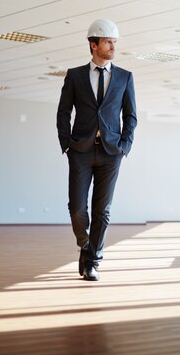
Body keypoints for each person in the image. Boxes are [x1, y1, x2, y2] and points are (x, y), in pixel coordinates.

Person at [56, 19, 138, 281]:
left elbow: (131, 116)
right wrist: (66, 142)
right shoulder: (75, 75)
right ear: (93, 45)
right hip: (80, 150)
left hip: (111, 152)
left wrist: (125, 146)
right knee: (78, 208)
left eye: (114, 42)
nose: (113, 46)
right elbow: (63, 112)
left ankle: (93, 261)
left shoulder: (125, 77)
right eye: (108, 42)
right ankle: (85, 244)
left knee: (103, 210)